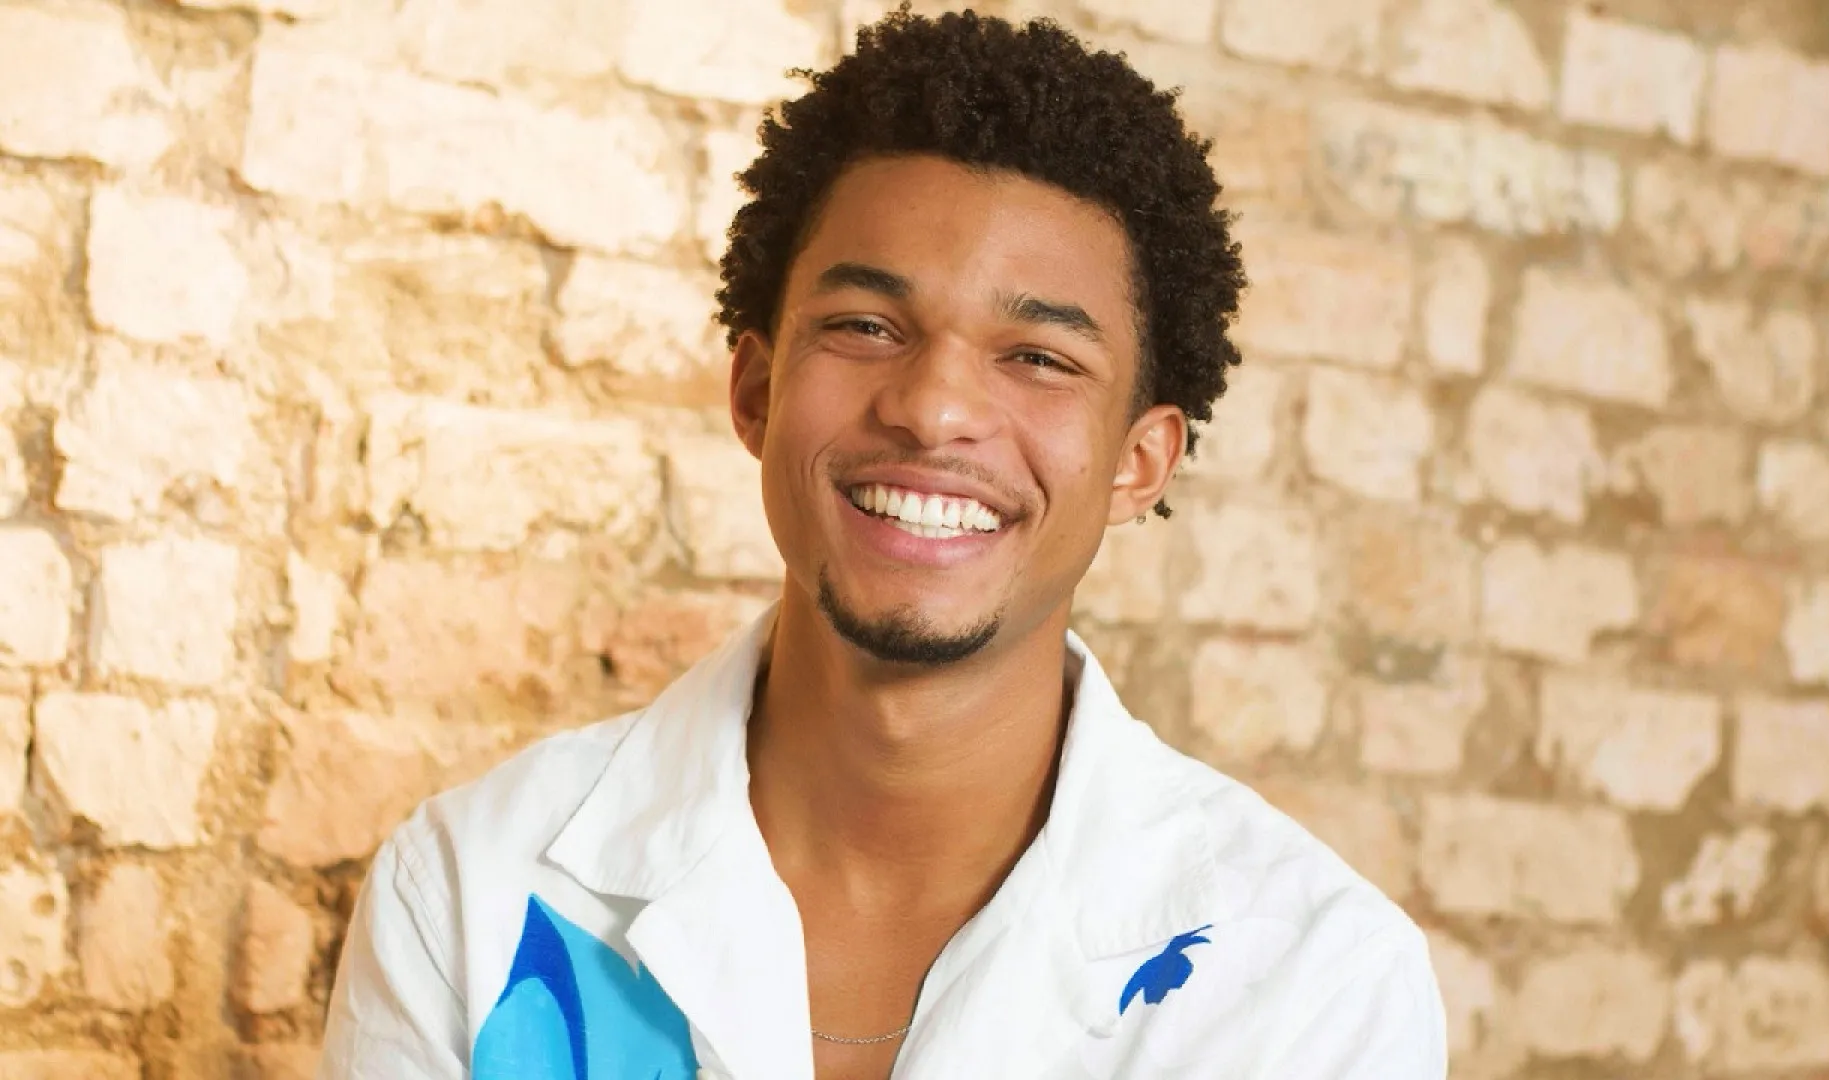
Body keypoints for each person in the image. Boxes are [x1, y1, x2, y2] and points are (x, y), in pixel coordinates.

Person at [318, 10, 1447, 1079]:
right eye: (866, 327)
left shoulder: (1308, 984)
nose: (934, 409)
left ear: (1138, 462)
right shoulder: (469, 894)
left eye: (1039, 358)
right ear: (756, 391)